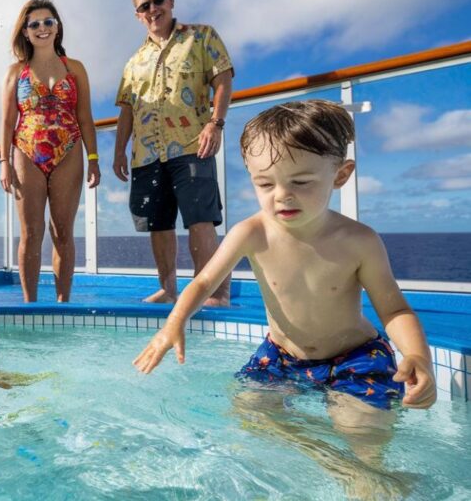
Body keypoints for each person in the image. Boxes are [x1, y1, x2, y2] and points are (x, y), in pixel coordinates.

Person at [133, 100, 436, 494]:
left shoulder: (359, 241)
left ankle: (369, 476)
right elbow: (205, 281)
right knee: (249, 413)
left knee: (361, 429)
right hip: (281, 354)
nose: (281, 196)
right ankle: (329, 459)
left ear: (340, 175)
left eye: (301, 182)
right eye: (265, 183)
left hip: (355, 357)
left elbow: (393, 308)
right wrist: (172, 325)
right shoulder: (251, 232)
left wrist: (417, 356)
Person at [113, 0, 233, 305]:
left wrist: (216, 123)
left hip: (192, 143)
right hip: (146, 153)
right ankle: (168, 289)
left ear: (171, 1)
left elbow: (222, 78)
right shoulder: (133, 62)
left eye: (158, 1)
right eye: (144, 6)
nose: (153, 9)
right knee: (158, 223)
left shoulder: (201, 37)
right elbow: (126, 110)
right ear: (138, 14)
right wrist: (118, 152)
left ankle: (209, 291)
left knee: (200, 218)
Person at [0, 0, 100, 303]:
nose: (42, 28)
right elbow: (6, 123)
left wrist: (93, 158)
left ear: (57, 27)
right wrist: (5, 162)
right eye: (34, 24)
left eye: (48, 21)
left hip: (68, 151)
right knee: (31, 233)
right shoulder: (16, 72)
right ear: (25, 33)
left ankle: (62, 302)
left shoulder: (75, 68)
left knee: (63, 232)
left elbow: (85, 117)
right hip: (26, 152)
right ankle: (30, 303)